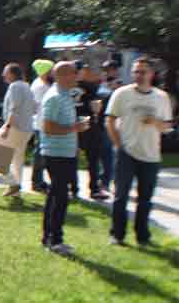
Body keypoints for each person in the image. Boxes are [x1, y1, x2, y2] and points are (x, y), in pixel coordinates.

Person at [106, 57, 174, 246]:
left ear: (152, 74)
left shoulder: (161, 97)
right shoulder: (122, 93)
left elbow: (167, 126)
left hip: (151, 154)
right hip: (126, 152)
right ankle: (117, 234)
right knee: (121, 196)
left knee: (145, 198)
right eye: (136, 71)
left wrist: (155, 123)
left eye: (143, 71)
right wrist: (118, 145)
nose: (139, 75)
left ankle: (142, 235)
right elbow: (110, 120)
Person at [40, 61, 91, 256]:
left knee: (56, 195)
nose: (76, 77)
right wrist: (75, 129)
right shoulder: (53, 97)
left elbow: (63, 124)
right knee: (59, 197)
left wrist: (75, 141)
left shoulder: (65, 95)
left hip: (65, 152)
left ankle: (49, 237)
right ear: (61, 76)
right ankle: (54, 239)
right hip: (56, 153)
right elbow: (48, 127)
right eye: (72, 73)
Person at [0, 62, 36, 197]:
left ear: (12, 74)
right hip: (27, 129)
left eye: (5, 72)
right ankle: (16, 192)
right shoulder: (27, 86)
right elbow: (35, 108)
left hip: (15, 127)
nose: (3, 75)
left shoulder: (15, 86)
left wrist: (7, 127)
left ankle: (12, 184)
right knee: (17, 159)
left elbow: (14, 109)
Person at [76, 63, 110, 200]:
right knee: (73, 158)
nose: (94, 74)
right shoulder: (76, 87)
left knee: (94, 159)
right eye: (88, 71)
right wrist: (87, 106)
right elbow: (74, 105)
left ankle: (95, 188)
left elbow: (104, 106)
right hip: (78, 126)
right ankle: (73, 187)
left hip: (95, 128)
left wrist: (99, 110)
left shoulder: (100, 88)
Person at [30, 59, 55, 192]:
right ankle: (37, 182)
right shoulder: (41, 87)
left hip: (43, 124)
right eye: (51, 70)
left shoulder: (44, 84)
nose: (53, 73)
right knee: (40, 155)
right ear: (45, 72)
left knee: (41, 154)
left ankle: (39, 180)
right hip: (42, 124)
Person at [98, 60, 122, 192]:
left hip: (115, 123)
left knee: (111, 154)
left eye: (112, 70)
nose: (108, 72)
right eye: (106, 70)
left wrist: (114, 89)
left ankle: (109, 181)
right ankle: (104, 180)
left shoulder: (119, 86)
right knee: (105, 154)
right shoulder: (101, 85)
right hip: (102, 122)